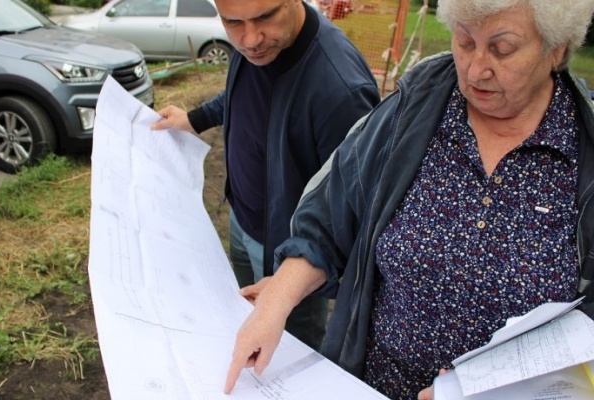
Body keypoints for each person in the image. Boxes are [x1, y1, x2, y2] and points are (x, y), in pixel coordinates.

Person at [223, 0, 594, 399]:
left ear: (556, 49)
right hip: (372, 386)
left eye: (502, 50)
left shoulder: (582, 150)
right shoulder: (413, 109)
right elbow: (328, 219)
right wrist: (277, 298)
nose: (475, 70)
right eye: (465, 42)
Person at [150, 0, 380, 351]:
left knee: (289, 350)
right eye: (232, 22)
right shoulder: (260, 46)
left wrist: (291, 280)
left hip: (288, 252)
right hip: (242, 218)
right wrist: (194, 119)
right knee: (243, 313)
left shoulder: (340, 88)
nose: (250, 39)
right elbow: (240, 93)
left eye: (265, 17)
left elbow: (354, 204)